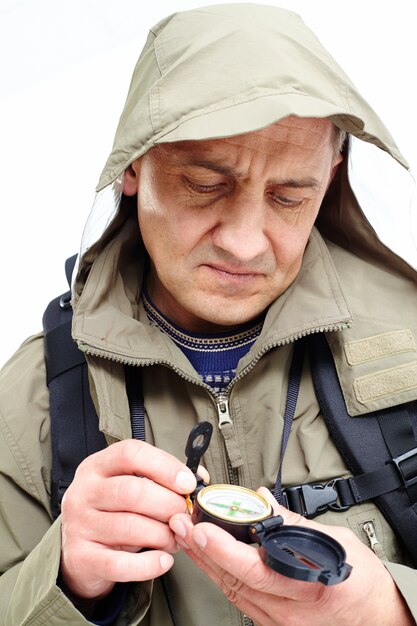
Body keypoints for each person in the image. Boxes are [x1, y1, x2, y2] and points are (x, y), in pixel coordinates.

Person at [1, 3, 416, 625]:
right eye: (206, 184)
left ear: (331, 174)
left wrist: (389, 609)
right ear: (133, 167)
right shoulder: (33, 400)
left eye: (289, 196)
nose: (246, 242)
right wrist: (66, 582)